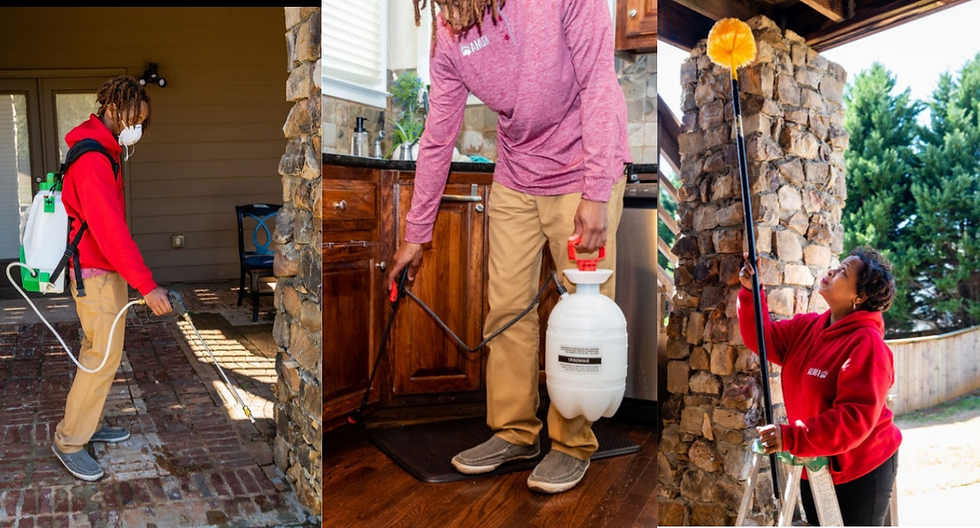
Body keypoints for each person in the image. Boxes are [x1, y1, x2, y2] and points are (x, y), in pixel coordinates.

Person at [386, 0, 630, 493]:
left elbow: (599, 84)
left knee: (583, 314)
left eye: (454, 4)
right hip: (517, 174)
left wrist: (596, 192)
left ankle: (572, 443)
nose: (446, 14)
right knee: (507, 309)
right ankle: (515, 432)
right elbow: (438, 134)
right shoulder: (446, 33)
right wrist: (416, 232)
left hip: (581, 170)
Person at [52, 75, 173, 482]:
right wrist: (147, 285)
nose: (136, 126)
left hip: (101, 270)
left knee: (98, 353)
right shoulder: (92, 159)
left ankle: (87, 425)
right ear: (112, 108)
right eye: (133, 117)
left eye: (141, 120)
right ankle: (70, 440)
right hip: (96, 272)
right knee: (101, 358)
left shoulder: (102, 150)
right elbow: (110, 231)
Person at [738, 246, 902, 526]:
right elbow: (763, 340)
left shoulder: (868, 345)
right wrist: (751, 292)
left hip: (860, 467)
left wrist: (793, 437)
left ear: (859, 297)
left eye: (843, 272)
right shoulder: (809, 328)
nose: (832, 271)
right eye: (837, 266)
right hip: (816, 459)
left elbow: (853, 418)